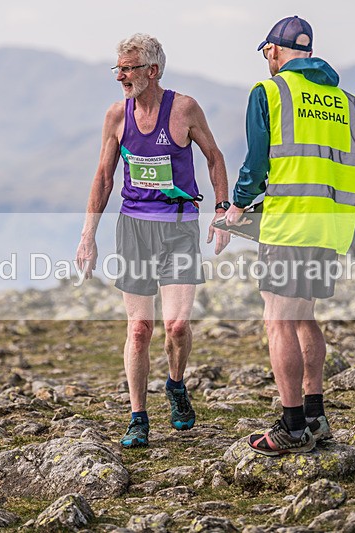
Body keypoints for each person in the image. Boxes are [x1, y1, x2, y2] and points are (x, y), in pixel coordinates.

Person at [224, 16, 355, 455]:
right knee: (304, 316)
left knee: (278, 320)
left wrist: (236, 205)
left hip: (289, 224)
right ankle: (315, 416)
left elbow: (257, 162)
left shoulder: (269, 92)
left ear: (273, 51)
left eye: (266, 53)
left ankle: (291, 425)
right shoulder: (349, 102)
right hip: (331, 227)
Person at [75, 34, 230, 448]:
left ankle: (176, 384)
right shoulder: (116, 116)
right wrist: (88, 235)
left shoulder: (184, 109)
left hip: (178, 227)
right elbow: (104, 177)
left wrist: (221, 208)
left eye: (128, 68)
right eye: (119, 68)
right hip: (133, 229)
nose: (121, 76)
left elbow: (214, 157)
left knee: (177, 326)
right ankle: (138, 415)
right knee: (140, 327)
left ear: (152, 71)